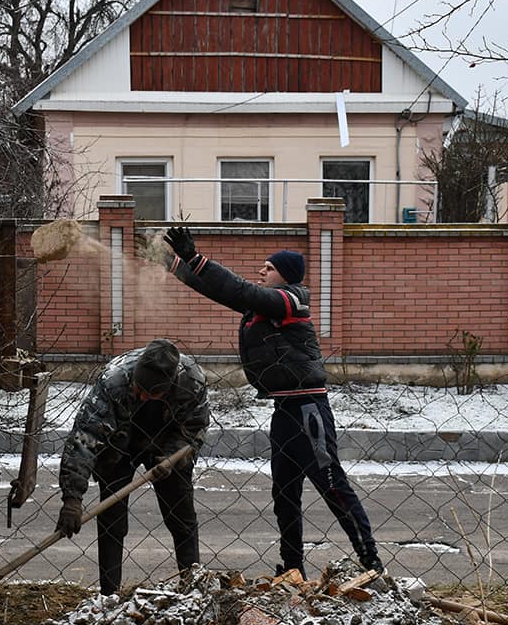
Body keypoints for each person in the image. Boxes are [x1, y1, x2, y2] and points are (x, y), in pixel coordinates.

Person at [164, 229, 383, 579]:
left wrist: (196, 258)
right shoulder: (263, 305)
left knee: (331, 485)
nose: (261, 270)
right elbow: (222, 291)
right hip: (283, 412)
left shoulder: (292, 300)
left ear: (286, 275)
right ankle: (293, 567)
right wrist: (175, 264)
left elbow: (240, 289)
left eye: (268, 267)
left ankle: (370, 559)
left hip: (308, 409)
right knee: (284, 493)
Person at [55, 338, 208, 594]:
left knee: (181, 516)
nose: (143, 396)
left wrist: (171, 458)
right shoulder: (114, 380)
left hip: (167, 441)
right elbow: (85, 437)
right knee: (112, 519)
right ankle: (109, 596)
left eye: (152, 393)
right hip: (118, 445)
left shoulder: (191, 381)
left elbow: (194, 430)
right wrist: (72, 497)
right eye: (139, 389)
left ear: (168, 387)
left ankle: (192, 590)